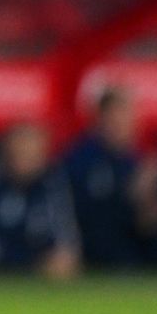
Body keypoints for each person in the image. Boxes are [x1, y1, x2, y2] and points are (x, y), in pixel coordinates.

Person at [0, 122, 81, 280]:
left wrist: (62, 257)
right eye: (21, 153)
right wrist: (34, 263)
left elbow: (66, 238)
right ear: (6, 151)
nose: (26, 161)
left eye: (33, 155)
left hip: (42, 279)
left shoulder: (52, 180)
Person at [62, 88, 147, 267]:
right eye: (112, 116)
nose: (118, 122)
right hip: (87, 259)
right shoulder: (79, 159)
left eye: (124, 114)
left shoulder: (142, 161)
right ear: (99, 119)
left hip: (135, 260)